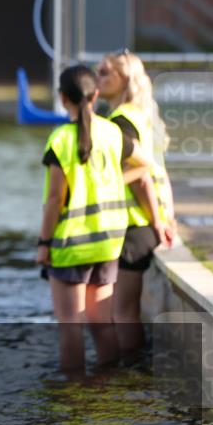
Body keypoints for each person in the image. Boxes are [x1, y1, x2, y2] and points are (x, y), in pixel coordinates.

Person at [36, 66, 158, 374]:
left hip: (71, 244)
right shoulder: (112, 132)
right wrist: (113, 182)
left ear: (63, 98)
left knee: (71, 327)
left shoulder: (61, 139)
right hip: (108, 242)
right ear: (96, 95)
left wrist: (43, 243)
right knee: (102, 325)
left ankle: (73, 396)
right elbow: (146, 164)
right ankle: (107, 387)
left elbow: (54, 200)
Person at [96, 51, 175, 357]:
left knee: (122, 311)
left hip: (135, 223)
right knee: (124, 310)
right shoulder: (144, 115)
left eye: (105, 73)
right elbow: (162, 172)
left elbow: (143, 175)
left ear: (124, 79)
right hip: (147, 220)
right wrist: (169, 216)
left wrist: (157, 220)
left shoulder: (121, 120)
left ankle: (131, 372)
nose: (98, 78)